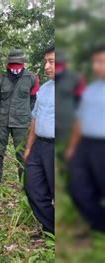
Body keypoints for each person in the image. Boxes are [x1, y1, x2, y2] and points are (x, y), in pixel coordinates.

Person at [65, 45, 105, 232]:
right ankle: (98, 224)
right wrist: (72, 148)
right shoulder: (91, 90)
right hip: (86, 145)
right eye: (95, 62)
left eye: (102, 62)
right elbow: (80, 120)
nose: (98, 66)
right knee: (78, 186)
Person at [0, 48, 40, 187]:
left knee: (22, 153)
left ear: (23, 63)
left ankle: (24, 184)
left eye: (18, 63)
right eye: (12, 63)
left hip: (22, 123)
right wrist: (0, 111)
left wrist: (26, 113)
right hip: (2, 122)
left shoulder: (31, 78)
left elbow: (34, 99)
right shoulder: (1, 78)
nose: (15, 67)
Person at [24, 45, 55, 235]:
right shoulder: (44, 88)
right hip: (39, 147)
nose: (46, 66)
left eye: (51, 62)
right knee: (33, 189)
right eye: (46, 62)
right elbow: (35, 118)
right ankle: (52, 228)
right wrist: (29, 148)